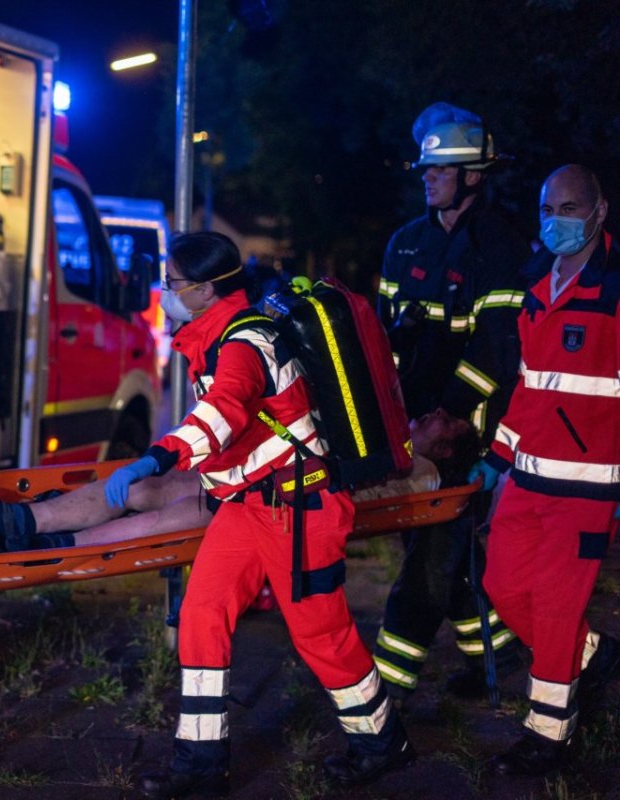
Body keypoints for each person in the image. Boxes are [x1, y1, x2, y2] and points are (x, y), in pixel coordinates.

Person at [99, 232, 412, 798]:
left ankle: (381, 742)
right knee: (201, 615)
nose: (165, 292)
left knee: (322, 635)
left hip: (300, 510)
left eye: (172, 283)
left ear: (206, 289)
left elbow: (222, 416)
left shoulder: (244, 344)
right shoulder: (217, 335)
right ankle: (200, 763)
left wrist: (155, 457)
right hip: (251, 506)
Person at [373, 102, 529, 704]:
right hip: (409, 429)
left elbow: (496, 351)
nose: (427, 177)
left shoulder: (503, 246)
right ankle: (501, 653)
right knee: (444, 547)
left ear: (474, 175)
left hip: (464, 435)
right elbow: (384, 343)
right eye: (426, 170)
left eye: (441, 169)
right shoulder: (405, 245)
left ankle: (385, 688)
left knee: (430, 560)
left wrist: (447, 426)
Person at [474, 164, 620, 776]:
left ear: (598, 211)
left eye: (568, 207)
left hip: (586, 489)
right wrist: (497, 457)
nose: (556, 220)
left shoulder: (614, 292)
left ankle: (548, 738)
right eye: (546, 209)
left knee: (557, 611)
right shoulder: (537, 285)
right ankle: (591, 653)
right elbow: (531, 387)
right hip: (527, 481)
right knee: (502, 589)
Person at [0, 407, 480, 550]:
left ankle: (57, 543)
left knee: (175, 513)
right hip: (266, 476)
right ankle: (25, 520)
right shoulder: (399, 442)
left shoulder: (423, 469)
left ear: (446, 445)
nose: (433, 413)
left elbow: (363, 495)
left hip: (286, 502)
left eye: (444, 421)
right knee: (147, 489)